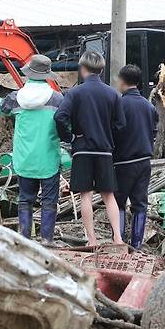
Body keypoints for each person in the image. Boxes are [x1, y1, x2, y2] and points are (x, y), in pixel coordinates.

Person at [0, 54, 68, 246]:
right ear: (47, 75)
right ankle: (47, 239)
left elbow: (1, 108)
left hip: (24, 159)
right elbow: (67, 122)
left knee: (25, 200)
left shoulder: (16, 98)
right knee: (49, 201)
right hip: (48, 157)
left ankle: (25, 238)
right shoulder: (57, 99)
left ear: (28, 74)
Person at [54, 51, 125, 246]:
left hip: (82, 149)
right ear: (101, 70)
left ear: (82, 68)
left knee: (85, 195)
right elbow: (121, 125)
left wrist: (69, 137)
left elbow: (60, 117)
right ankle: (118, 239)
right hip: (104, 150)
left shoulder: (75, 93)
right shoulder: (113, 94)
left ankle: (92, 240)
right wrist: (109, 139)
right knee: (108, 195)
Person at [113, 64, 159, 249]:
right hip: (144, 162)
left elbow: (114, 132)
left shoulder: (119, 104)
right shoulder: (149, 106)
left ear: (122, 82)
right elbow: (154, 132)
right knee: (140, 204)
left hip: (123, 162)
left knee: (119, 204)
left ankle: (119, 243)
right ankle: (137, 245)